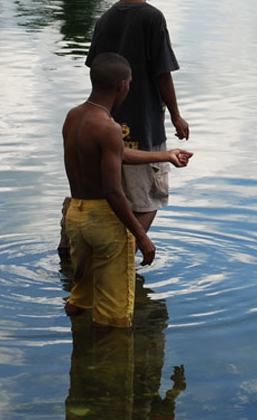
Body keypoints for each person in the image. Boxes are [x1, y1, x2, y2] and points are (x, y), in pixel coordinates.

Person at [63, 52, 193, 327]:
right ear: (122, 85)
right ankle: (109, 366)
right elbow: (113, 191)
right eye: (130, 83)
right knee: (112, 319)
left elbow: (116, 153)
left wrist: (166, 155)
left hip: (77, 215)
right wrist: (141, 236)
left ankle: (79, 357)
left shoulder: (74, 117)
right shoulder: (109, 127)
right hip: (104, 222)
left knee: (79, 300)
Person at [85, 0, 189, 239]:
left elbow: (96, 71)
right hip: (144, 127)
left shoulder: (105, 19)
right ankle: (122, 255)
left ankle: (108, 255)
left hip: (108, 125)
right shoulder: (152, 18)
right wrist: (177, 117)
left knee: (115, 198)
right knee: (149, 199)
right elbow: (162, 74)